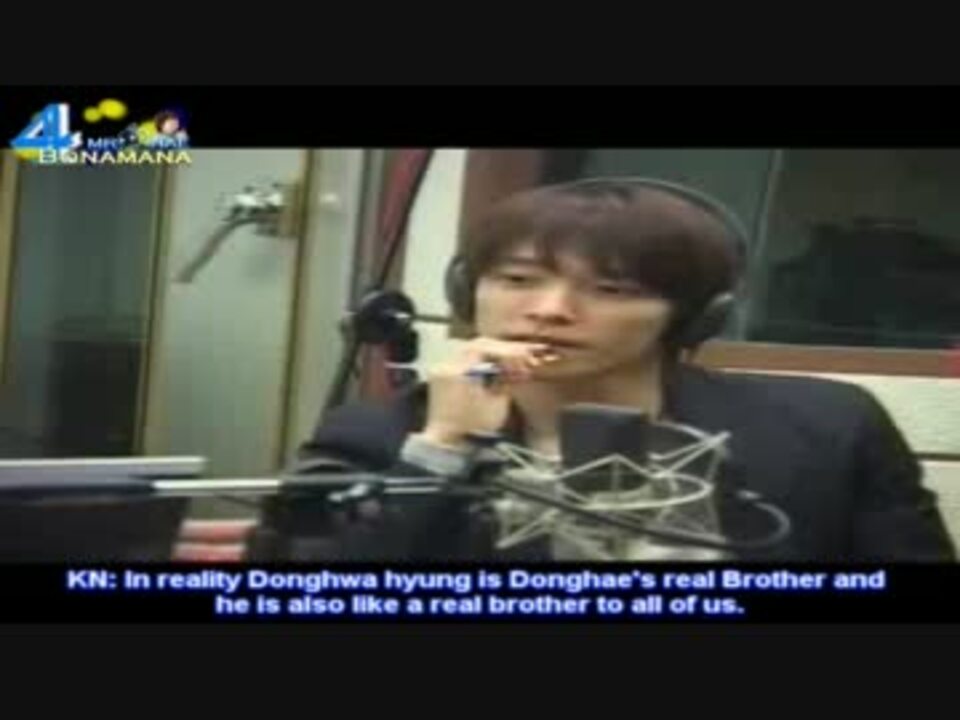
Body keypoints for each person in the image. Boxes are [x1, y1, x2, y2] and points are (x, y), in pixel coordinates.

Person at [251, 178, 957, 563]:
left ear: (693, 316)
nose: (550, 310)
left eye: (611, 289)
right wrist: (441, 450)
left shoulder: (829, 428)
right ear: (469, 293)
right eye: (518, 279)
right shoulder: (373, 437)